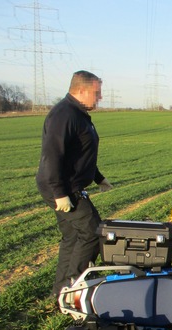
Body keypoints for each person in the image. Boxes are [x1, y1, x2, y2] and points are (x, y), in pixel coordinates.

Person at [36, 70, 113, 299]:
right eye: (96, 93)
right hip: (64, 188)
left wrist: (98, 177)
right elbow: (52, 155)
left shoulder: (78, 114)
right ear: (81, 90)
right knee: (92, 233)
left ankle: (60, 291)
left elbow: (80, 153)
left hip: (67, 186)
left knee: (72, 237)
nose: (99, 98)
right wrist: (60, 193)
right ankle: (73, 290)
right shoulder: (64, 115)